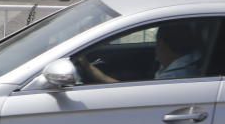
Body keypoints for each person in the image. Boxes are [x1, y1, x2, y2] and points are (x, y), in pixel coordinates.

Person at [75, 22, 203, 84]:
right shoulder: (186, 64)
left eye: (158, 45)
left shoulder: (175, 77)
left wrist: (87, 67)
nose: (156, 50)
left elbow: (127, 93)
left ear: (168, 47)